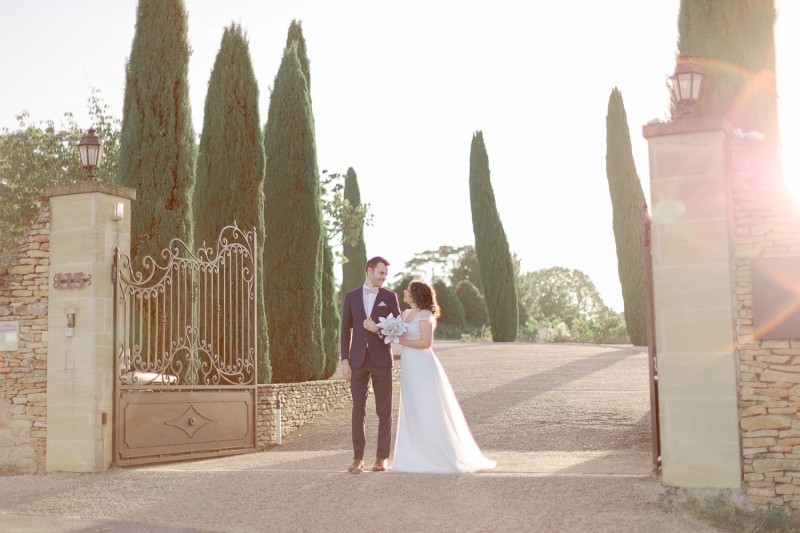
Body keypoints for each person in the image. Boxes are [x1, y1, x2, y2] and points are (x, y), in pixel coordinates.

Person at [390, 280, 496, 473]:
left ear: (415, 295)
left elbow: (425, 343)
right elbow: (395, 332)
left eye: (408, 289)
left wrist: (401, 340)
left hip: (422, 365)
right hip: (408, 364)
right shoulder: (405, 314)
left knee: (427, 406)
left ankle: (435, 454)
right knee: (411, 406)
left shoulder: (425, 315)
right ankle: (413, 454)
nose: (404, 291)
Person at [340, 256, 401, 474]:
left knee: (384, 410)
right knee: (358, 409)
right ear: (369, 270)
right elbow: (345, 330)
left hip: (382, 360)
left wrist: (377, 329)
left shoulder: (390, 297)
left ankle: (381, 458)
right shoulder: (351, 297)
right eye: (381, 273)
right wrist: (344, 360)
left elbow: (398, 328)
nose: (384, 277)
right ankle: (358, 458)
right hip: (357, 360)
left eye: (386, 274)